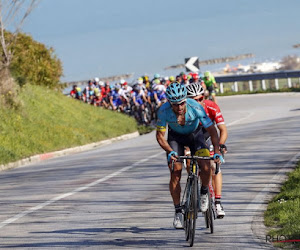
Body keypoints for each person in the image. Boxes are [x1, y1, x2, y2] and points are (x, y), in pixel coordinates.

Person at [156, 82, 224, 229]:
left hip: (196, 136)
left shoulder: (196, 107)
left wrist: (217, 151)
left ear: (185, 100)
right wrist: (170, 151)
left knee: (206, 167)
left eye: (181, 103)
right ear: (169, 103)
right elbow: (160, 136)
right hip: (176, 139)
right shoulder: (163, 111)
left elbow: (212, 131)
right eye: (175, 105)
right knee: (175, 171)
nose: (179, 108)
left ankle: (204, 191)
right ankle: (178, 211)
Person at [186, 82, 228, 218]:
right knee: (188, 161)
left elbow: (222, 129)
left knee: (214, 165)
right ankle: (193, 186)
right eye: (194, 100)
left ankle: (217, 201)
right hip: (190, 135)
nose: (198, 102)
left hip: (208, 134)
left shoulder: (211, 106)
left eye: (201, 98)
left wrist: (220, 145)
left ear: (204, 97)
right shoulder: (183, 109)